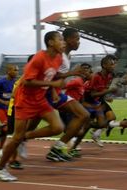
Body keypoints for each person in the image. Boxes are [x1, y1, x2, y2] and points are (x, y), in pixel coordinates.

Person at [0, 31, 66, 182]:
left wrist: (68, 76)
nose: (63, 42)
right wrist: (52, 84)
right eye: (60, 39)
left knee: (58, 127)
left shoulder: (58, 58)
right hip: (24, 101)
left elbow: (51, 75)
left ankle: (23, 138)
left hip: (40, 100)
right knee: (16, 138)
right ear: (51, 42)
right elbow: (28, 81)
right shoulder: (39, 58)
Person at [45, 28, 90, 162]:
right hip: (47, 93)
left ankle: (58, 147)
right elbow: (52, 75)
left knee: (83, 115)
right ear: (68, 40)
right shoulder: (60, 56)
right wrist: (72, 73)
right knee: (33, 129)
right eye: (77, 39)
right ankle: (13, 146)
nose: (79, 42)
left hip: (56, 93)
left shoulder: (66, 56)